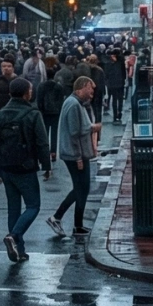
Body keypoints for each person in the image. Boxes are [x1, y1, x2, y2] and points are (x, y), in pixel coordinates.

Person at [0, 77, 51, 263]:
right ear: (27, 93)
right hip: (25, 166)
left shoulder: (0, 114)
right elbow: (42, 142)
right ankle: (14, 236)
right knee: (33, 205)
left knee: (13, 207)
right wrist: (46, 165)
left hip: (6, 166)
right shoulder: (32, 113)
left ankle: (19, 250)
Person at [48, 75, 98, 237]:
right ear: (81, 87)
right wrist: (78, 157)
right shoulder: (74, 104)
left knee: (82, 188)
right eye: (90, 88)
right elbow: (75, 132)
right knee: (80, 188)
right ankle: (57, 217)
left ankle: (78, 225)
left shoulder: (76, 103)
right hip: (75, 153)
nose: (93, 91)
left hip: (77, 152)